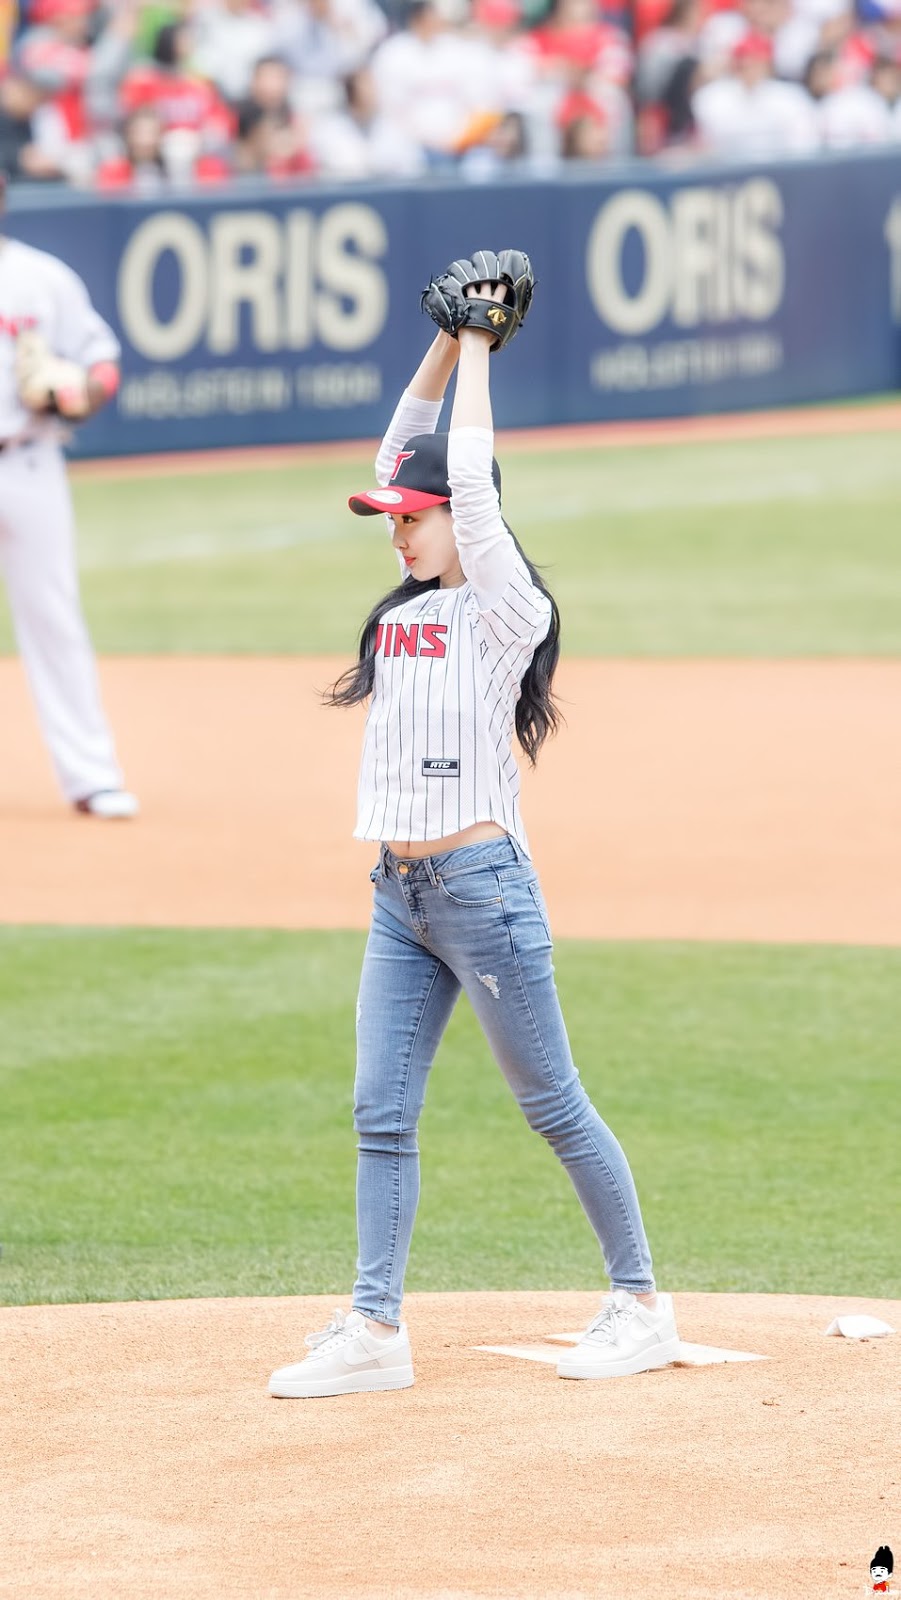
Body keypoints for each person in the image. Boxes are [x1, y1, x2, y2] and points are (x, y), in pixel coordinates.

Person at [268, 253, 679, 1400]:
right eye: (392, 517)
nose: (396, 532)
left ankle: (639, 1299)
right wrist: (444, 344)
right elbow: (403, 441)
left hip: (484, 892)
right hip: (398, 897)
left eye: (412, 516)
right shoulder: (411, 599)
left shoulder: (504, 607)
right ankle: (374, 1327)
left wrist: (487, 352)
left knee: (550, 1101)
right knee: (378, 1111)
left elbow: (476, 491)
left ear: (459, 515)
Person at [0, 172, 138, 819]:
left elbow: (100, 356)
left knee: (54, 615)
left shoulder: (41, 276)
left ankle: (91, 774)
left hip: (28, 459)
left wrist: (83, 390)